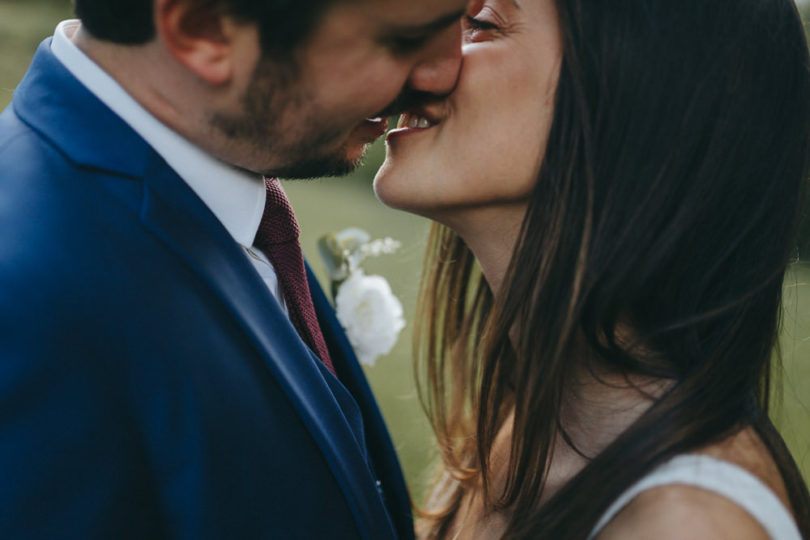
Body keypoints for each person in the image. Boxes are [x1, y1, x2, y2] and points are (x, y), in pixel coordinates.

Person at [0, 0, 468, 538]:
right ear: (205, 29)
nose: (443, 73)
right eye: (403, 40)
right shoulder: (27, 304)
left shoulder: (229, 189)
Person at [374, 0, 810, 537]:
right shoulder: (529, 431)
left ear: (637, 93)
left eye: (482, 24)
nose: (423, 61)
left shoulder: (686, 525)